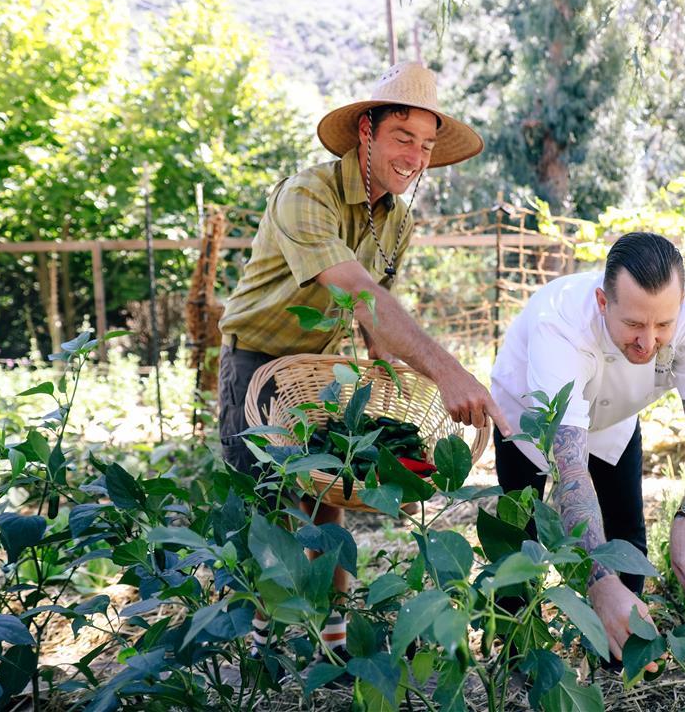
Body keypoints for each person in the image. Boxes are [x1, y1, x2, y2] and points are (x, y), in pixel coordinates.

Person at [218, 62, 509, 659]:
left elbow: (375, 306)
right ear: (366, 134)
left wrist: (388, 377)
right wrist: (445, 369)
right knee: (269, 503)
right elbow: (357, 292)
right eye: (404, 137)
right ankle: (260, 647)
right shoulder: (307, 194)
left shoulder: (396, 218)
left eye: (427, 145)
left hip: (318, 365)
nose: (417, 155)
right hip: (257, 358)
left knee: (330, 490)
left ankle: (333, 637)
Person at [490, 232, 685, 671]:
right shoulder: (560, 323)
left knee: (626, 533)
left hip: (616, 419)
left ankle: (621, 657)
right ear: (604, 303)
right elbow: (569, 470)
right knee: (519, 538)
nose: (648, 342)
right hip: (529, 419)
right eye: (633, 326)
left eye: (663, 325)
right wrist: (597, 580)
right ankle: (516, 656)